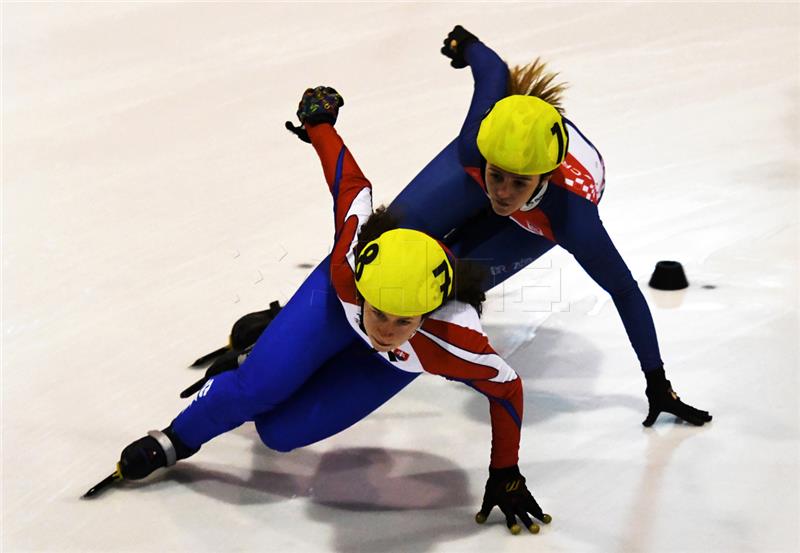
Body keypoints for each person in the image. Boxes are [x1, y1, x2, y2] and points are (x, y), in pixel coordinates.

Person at [111, 87, 551, 536]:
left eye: (404, 320)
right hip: (337, 305)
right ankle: (178, 436)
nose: (386, 329)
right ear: (362, 286)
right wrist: (319, 124)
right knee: (255, 389)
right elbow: (351, 186)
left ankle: (272, 348)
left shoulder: (451, 339)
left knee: (280, 434)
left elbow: (508, 390)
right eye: (381, 313)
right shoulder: (348, 263)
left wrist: (505, 472)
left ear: (428, 314)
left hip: (396, 354)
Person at [387, 25, 712, 427]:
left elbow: (624, 291)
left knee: (439, 286)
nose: (503, 194)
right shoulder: (477, 145)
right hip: (495, 167)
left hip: (541, 216)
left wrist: (657, 382)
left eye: (519, 183)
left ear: (542, 179)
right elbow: (493, 73)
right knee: (389, 238)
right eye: (497, 177)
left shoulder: (572, 221)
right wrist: (467, 45)